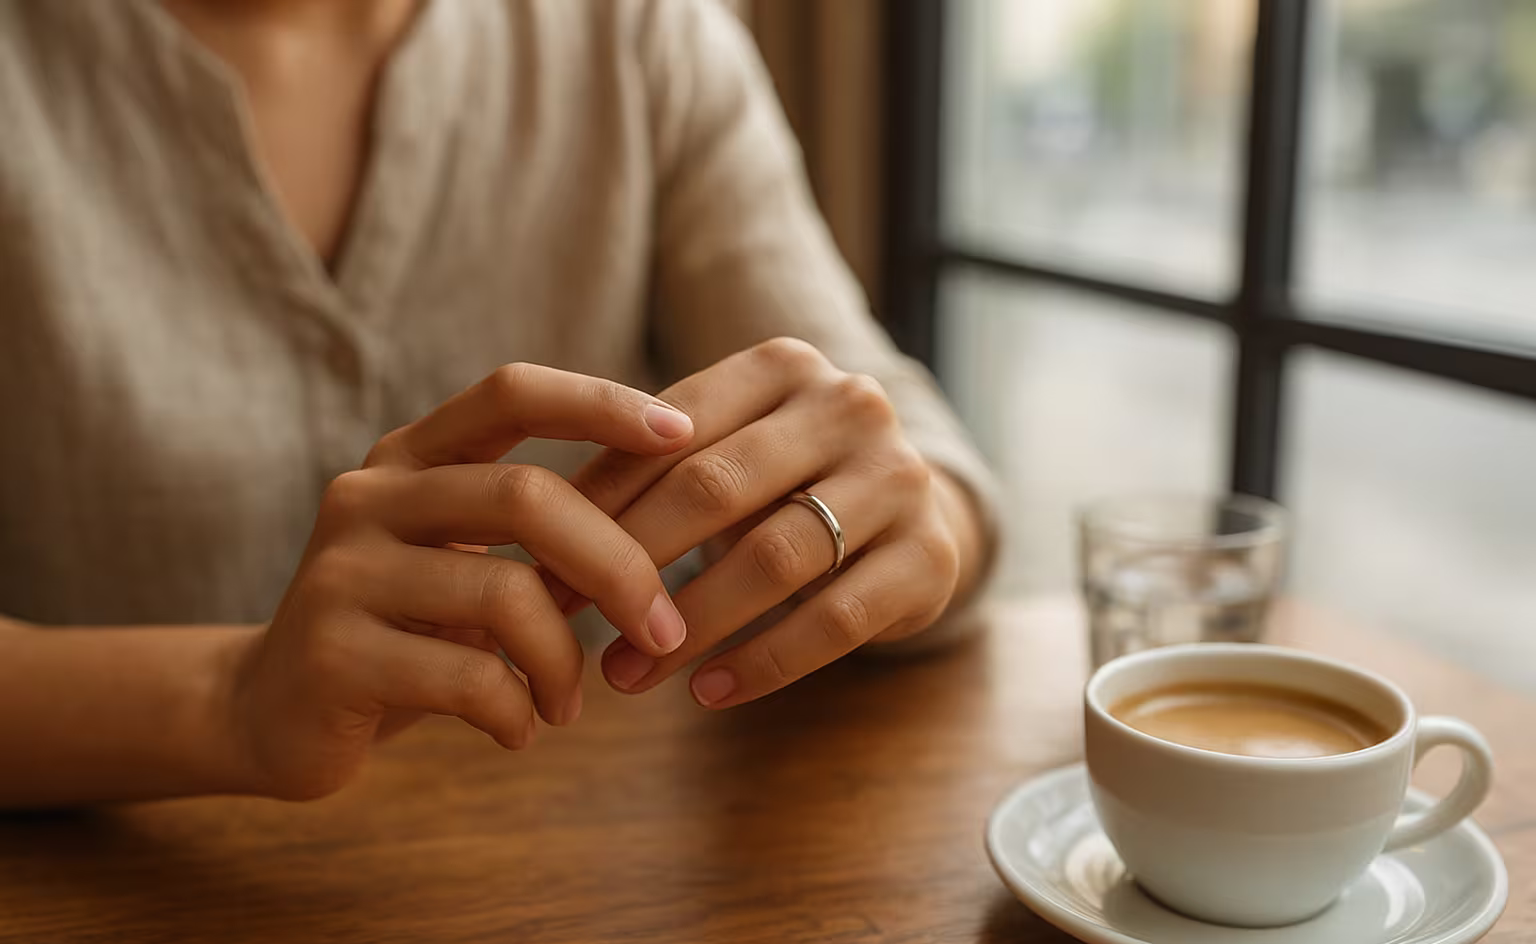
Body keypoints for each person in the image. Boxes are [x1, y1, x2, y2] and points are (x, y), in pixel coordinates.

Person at [0, 0, 999, 807]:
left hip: (598, 916)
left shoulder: (636, 31)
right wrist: (229, 700)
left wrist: (909, 525)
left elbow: (906, 447)